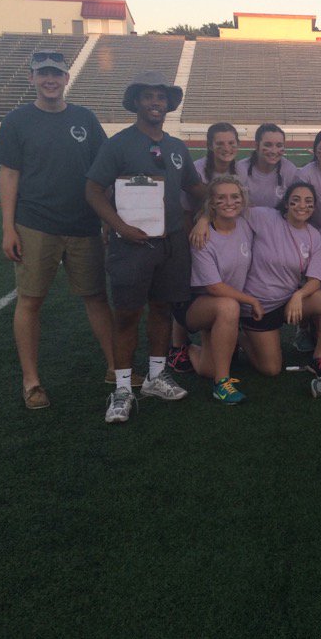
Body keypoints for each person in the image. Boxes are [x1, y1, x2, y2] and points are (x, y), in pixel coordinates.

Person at [0, 49, 120, 409]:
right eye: (42, 73)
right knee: (31, 300)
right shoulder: (17, 120)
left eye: (56, 74)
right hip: (35, 224)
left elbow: (104, 171)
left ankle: (115, 368)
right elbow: (10, 174)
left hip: (83, 224)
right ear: (31, 78)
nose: (50, 79)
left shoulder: (85, 119)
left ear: (66, 79)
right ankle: (31, 382)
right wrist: (8, 228)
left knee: (96, 297)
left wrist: (109, 219)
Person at [85, 71, 206, 424]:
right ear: (137, 101)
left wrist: (219, 202)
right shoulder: (119, 144)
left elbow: (195, 189)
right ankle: (122, 387)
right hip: (131, 246)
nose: (156, 103)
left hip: (170, 243)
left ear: (169, 104)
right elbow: (93, 189)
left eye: (161, 97)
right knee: (126, 315)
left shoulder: (176, 147)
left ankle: (155, 377)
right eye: (149, 97)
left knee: (162, 310)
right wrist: (119, 225)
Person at [239, 182, 321, 377]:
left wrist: (299, 295)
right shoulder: (265, 216)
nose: (302, 205)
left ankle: (319, 356)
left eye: (308, 202)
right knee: (271, 369)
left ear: (314, 207)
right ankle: (241, 337)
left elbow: (315, 280)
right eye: (296, 200)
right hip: (259, 305)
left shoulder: (314, 235)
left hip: (288, 302)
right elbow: (230, 210)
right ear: (286, 203)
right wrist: (203, 220)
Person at [174, 175, 260, 403]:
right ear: (211, 203)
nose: (229, 202)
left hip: (222, 305)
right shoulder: (203, 237)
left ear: (243, 200)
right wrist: (252, 301)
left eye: (235, 197)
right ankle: (222, 384)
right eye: (221, 198)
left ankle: (190, 348)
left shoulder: (245, 222)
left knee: (207, 368)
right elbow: (213, 287)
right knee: (228, 306)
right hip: (195, 305)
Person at [169, 122, 240, 372]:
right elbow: (187, 210)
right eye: (219, 143)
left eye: (231, 142)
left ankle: (218, 337)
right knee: (188, 290)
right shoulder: (197, 169)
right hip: (196, 238)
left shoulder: (239, 170)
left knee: (218, 290)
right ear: (209, 145)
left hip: (224, 238)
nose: (226, 147)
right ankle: (178, 347)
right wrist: (195, 236)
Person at [237, 123, 299, 209]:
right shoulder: (241, 169)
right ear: (256, 145)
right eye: (268, 145)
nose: (274, 151)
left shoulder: (290, 170)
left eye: (279, 145)